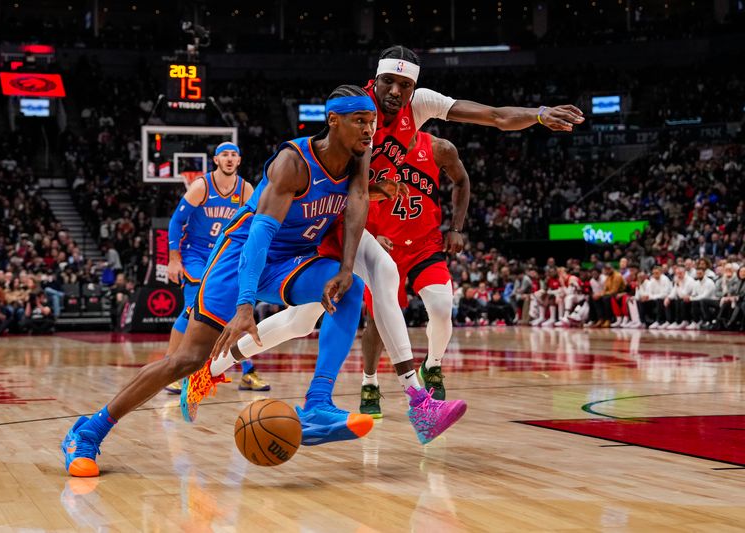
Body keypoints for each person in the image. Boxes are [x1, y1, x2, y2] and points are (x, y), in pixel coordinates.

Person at [204, 45, 582, 427]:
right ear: (375, 80)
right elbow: (355, 190)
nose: (396, 92)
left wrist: (538, 114)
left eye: (405, 85)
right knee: (381, 275)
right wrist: (357, 246)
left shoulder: (419, 104)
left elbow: (496, 116)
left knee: (301, 321)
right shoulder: (359, 108)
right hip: (328, 213)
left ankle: (212, 368)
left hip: (345, 210)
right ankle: (417, 400)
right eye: (389, 82)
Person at [61, 85, 380, 477]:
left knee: (351, 291)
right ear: (333, 120)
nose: (369, 129)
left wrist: (346, 268)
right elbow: (259, 236)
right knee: (187, 359)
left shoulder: (359, 157)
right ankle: (88, 433)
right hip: (239, 256)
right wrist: (246, 304)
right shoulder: (292, 162)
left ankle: (317, 404)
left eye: (372, 121)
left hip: (291, 261)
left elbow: (357, 207)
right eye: (360, 121)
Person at [358, 130, 470, 414]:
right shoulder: (369, 149)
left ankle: (432, 365)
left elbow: (462, 181)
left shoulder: (438, 147)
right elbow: (353, 195)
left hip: (425, 244)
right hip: (384, 245)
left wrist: (456, 228)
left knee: (443, 306)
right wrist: (368, 236)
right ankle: (369, 382)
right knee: (377, 321)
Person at [163, 142, 270, 393]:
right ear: (216, 160)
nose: (229, 158)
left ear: (239, 161)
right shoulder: (202, 186)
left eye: (234, 154)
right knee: (195, 309)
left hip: (224, 255)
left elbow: (254, 225)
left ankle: (247, 372)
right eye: (225, 155)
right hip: (195, 255)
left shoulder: (246, 189)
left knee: (235, 310)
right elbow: (177, 221)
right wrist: (173, 258)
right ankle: (170, 368)